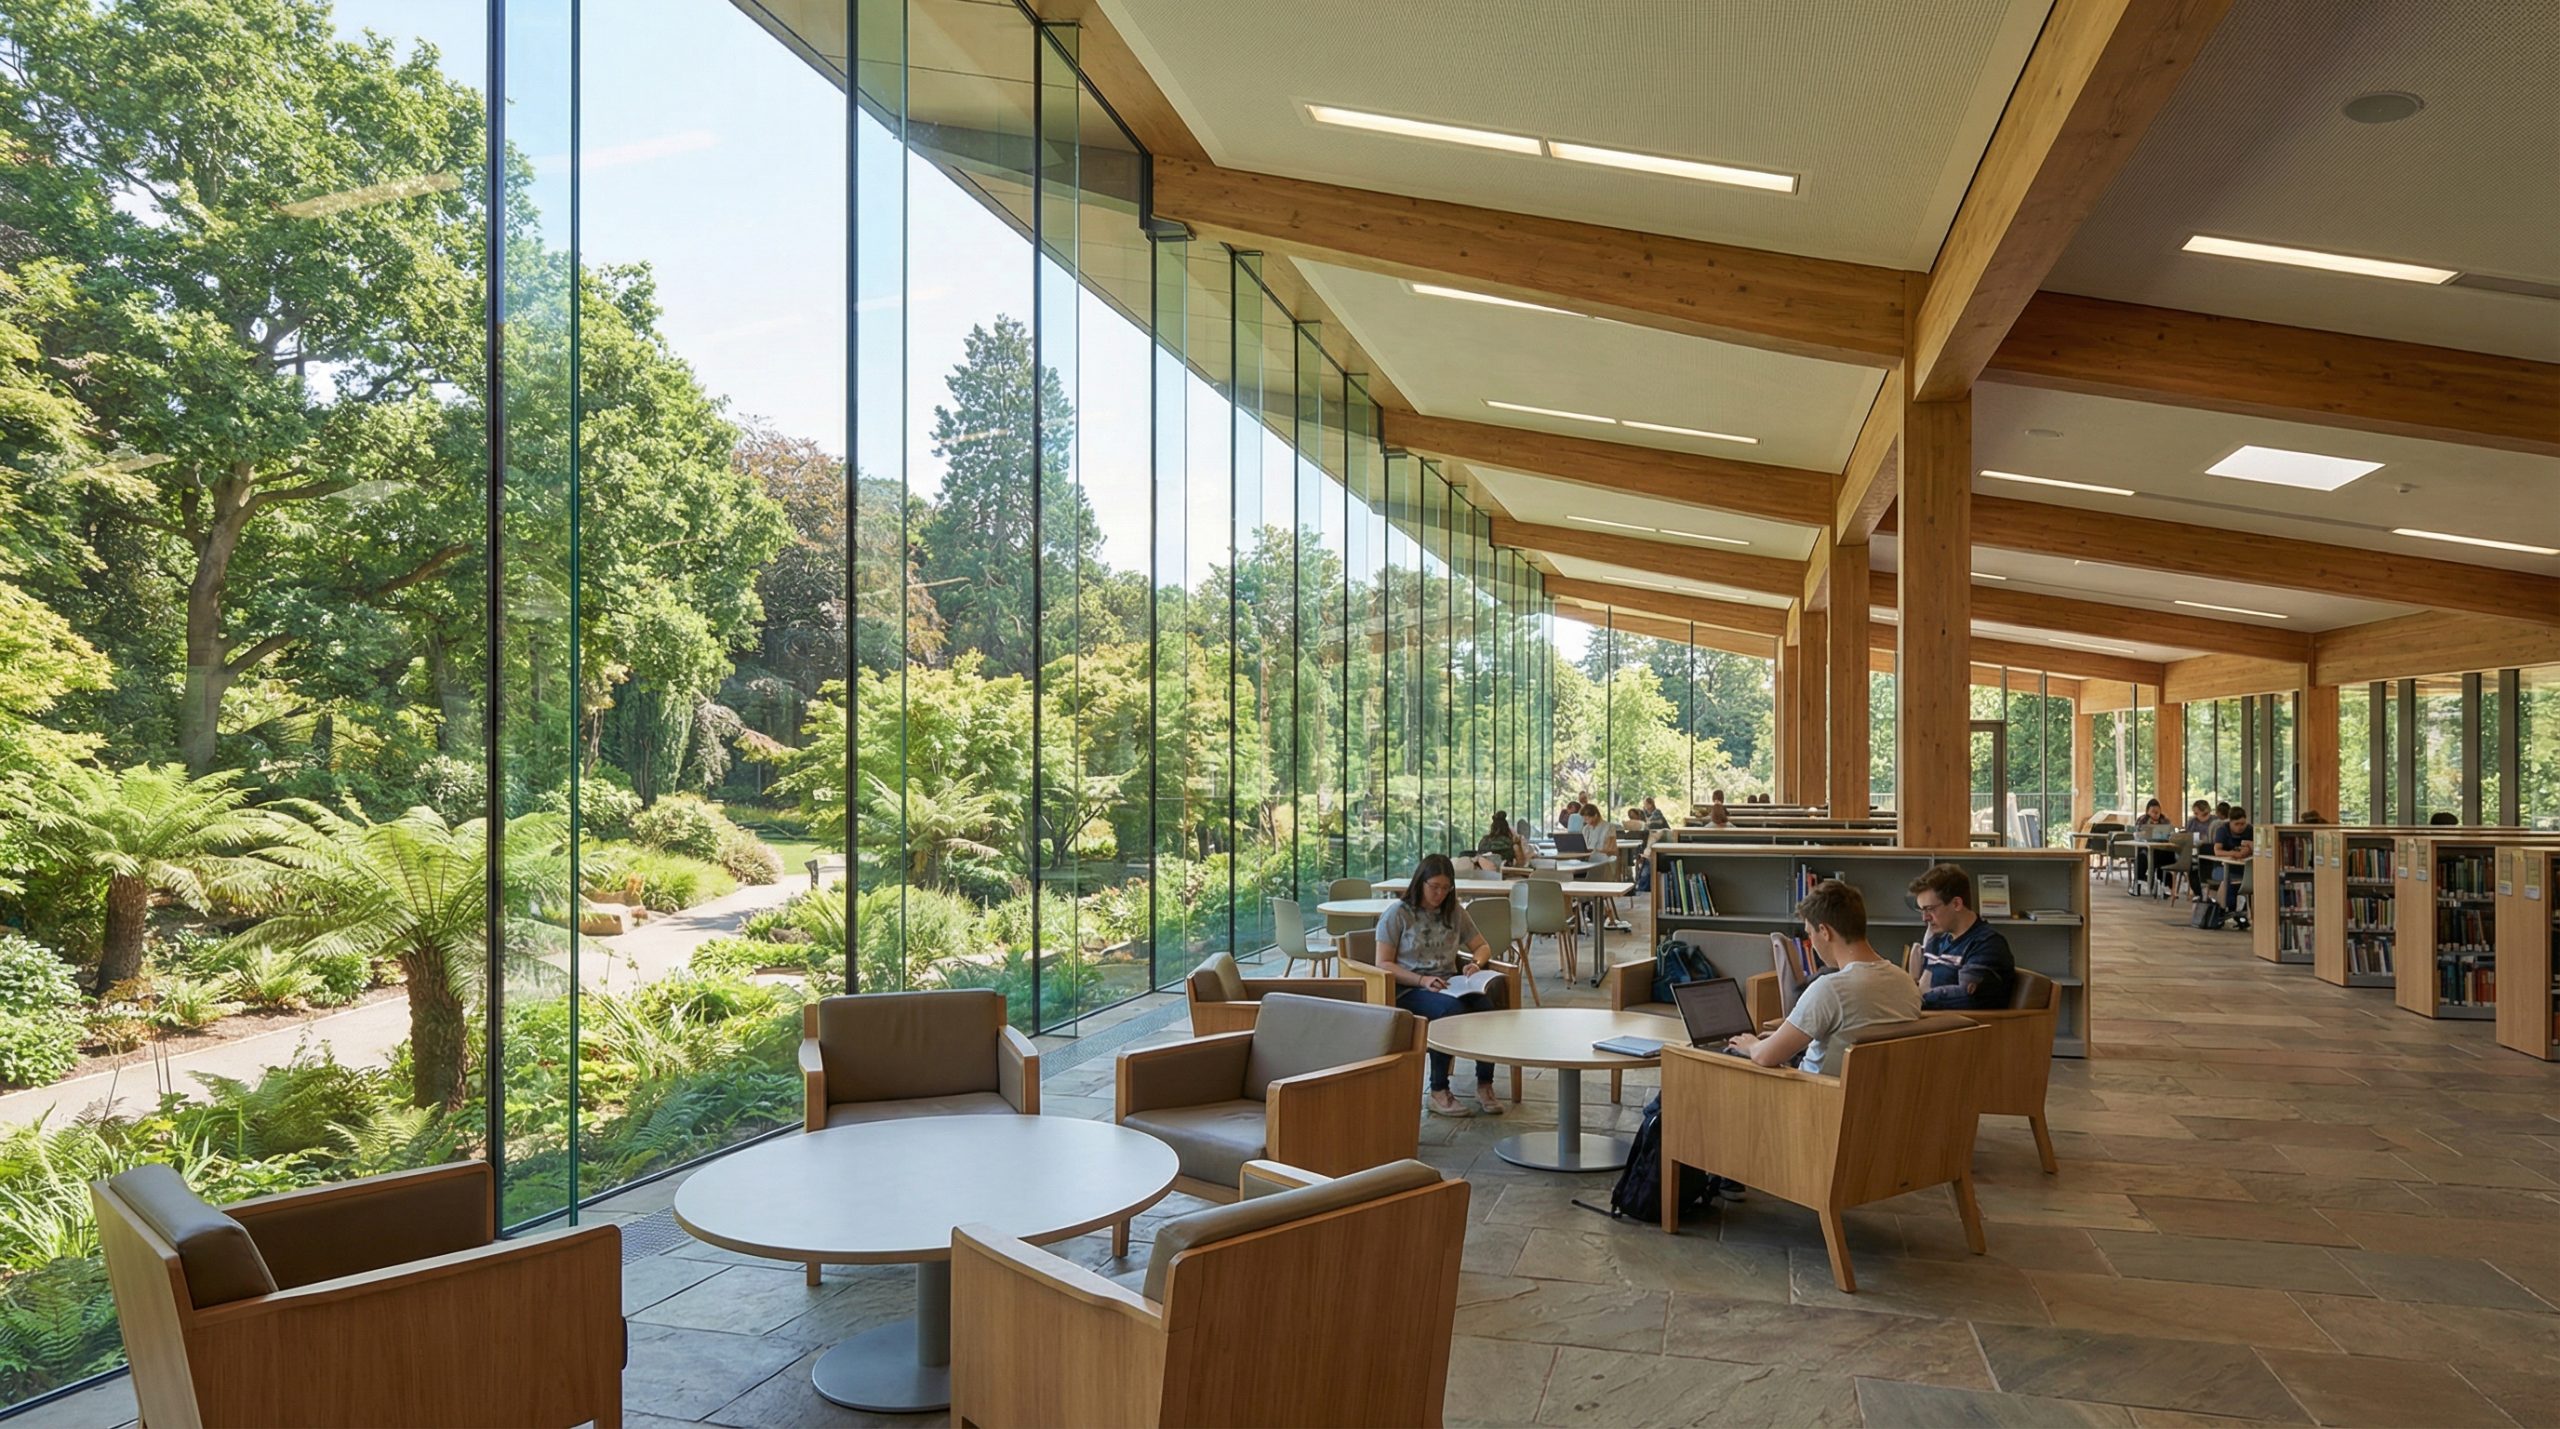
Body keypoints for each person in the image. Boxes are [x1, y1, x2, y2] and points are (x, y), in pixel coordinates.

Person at [1726, 880, 1920, 1075]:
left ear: (1825, 932)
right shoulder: (1906, 983)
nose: (1812, 943)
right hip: (1869, 1094)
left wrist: (1751, 1045)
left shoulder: (1830, 989)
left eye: (1810, 934)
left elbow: (1765, 1056)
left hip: (1816, 1097)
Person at [1375, 854, 1506, 1117]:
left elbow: (1482, 946)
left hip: (1448, 983)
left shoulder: (1455, 912)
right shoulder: (1397, 914)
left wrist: (1477, 964)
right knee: (1449, 1012)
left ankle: (1485, 1084)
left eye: (1446, 888)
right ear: (1420, 882)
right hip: (1409, 988)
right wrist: (1422, 980)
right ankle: (1438, 1090)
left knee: (1487, 1010)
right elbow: (1383, 964)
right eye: (1434, 886)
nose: (1439, 894)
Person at [1907, 864, 2016, 1010]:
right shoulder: (1937, 940)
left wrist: (1915, 999)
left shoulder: (1987, 944)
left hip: (1962, 1029)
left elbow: (1969, 997)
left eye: (1930, 909)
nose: (1925, 918)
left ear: (1956, 904)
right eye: (1921, 910)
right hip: (1931, 1022)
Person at [2214, 806, 2255, 925]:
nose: (2240, 827)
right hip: (2223, 867)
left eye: (2243, 823)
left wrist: (2249, 848)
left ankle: (2244, 913)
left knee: (2250, 881)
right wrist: (2234, 854)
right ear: (2230, 822)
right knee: (2230, 881)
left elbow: (2258, 848)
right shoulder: (2222, 830)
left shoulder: (2250, 830)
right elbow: (2217, 851)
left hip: (2244, 869)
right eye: (2236, 824)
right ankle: (2228, 910)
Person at [2129, 798, 2170, 889]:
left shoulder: (2164, 820)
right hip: (2144, 847)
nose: (2156, 814)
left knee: (2165, 857)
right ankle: (2139, 882)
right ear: (2148, 811)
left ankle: (2164, 885)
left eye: (2157, 812)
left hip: (2161, 849)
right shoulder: (2142, 820)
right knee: (2141, 858)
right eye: (2153, 812)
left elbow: (2169, 835)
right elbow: (2137, 834)